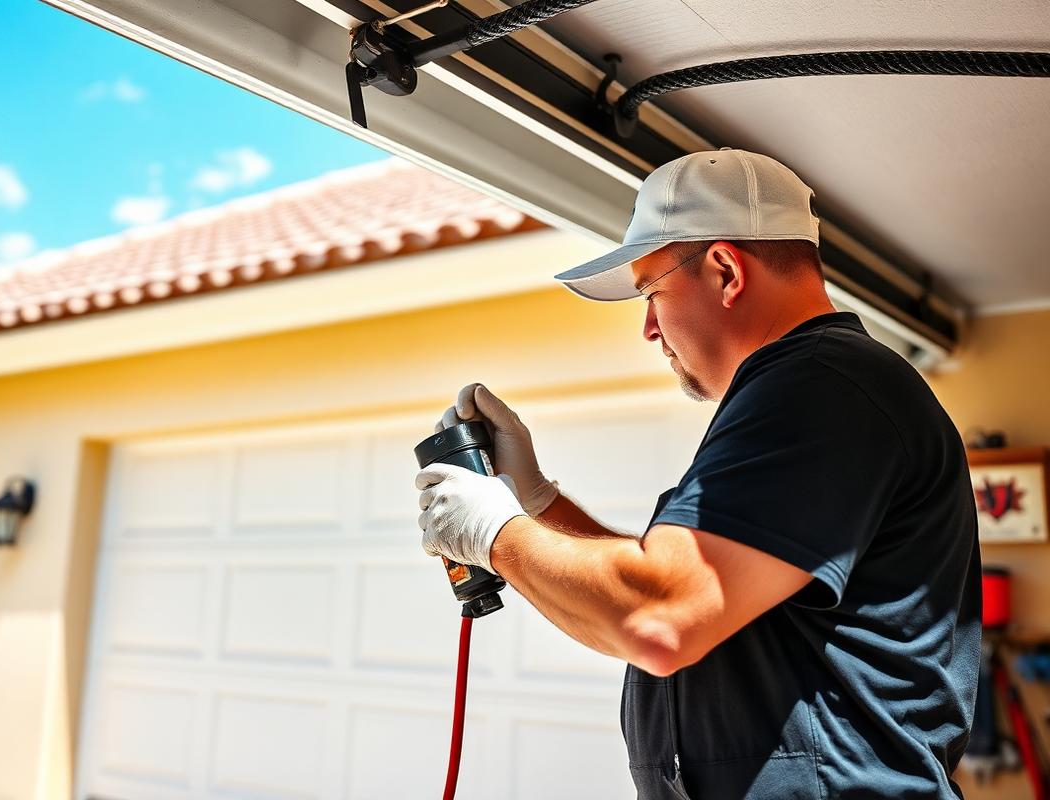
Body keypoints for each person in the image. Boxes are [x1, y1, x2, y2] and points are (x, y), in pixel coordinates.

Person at [415, 149, 981, 799]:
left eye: (652, 292)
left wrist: (493, 531)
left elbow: (660, 618)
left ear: (724, 270)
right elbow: (688, 583)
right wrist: (538, 502)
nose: (649, 329)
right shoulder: (810, 392)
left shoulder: (821, 387)